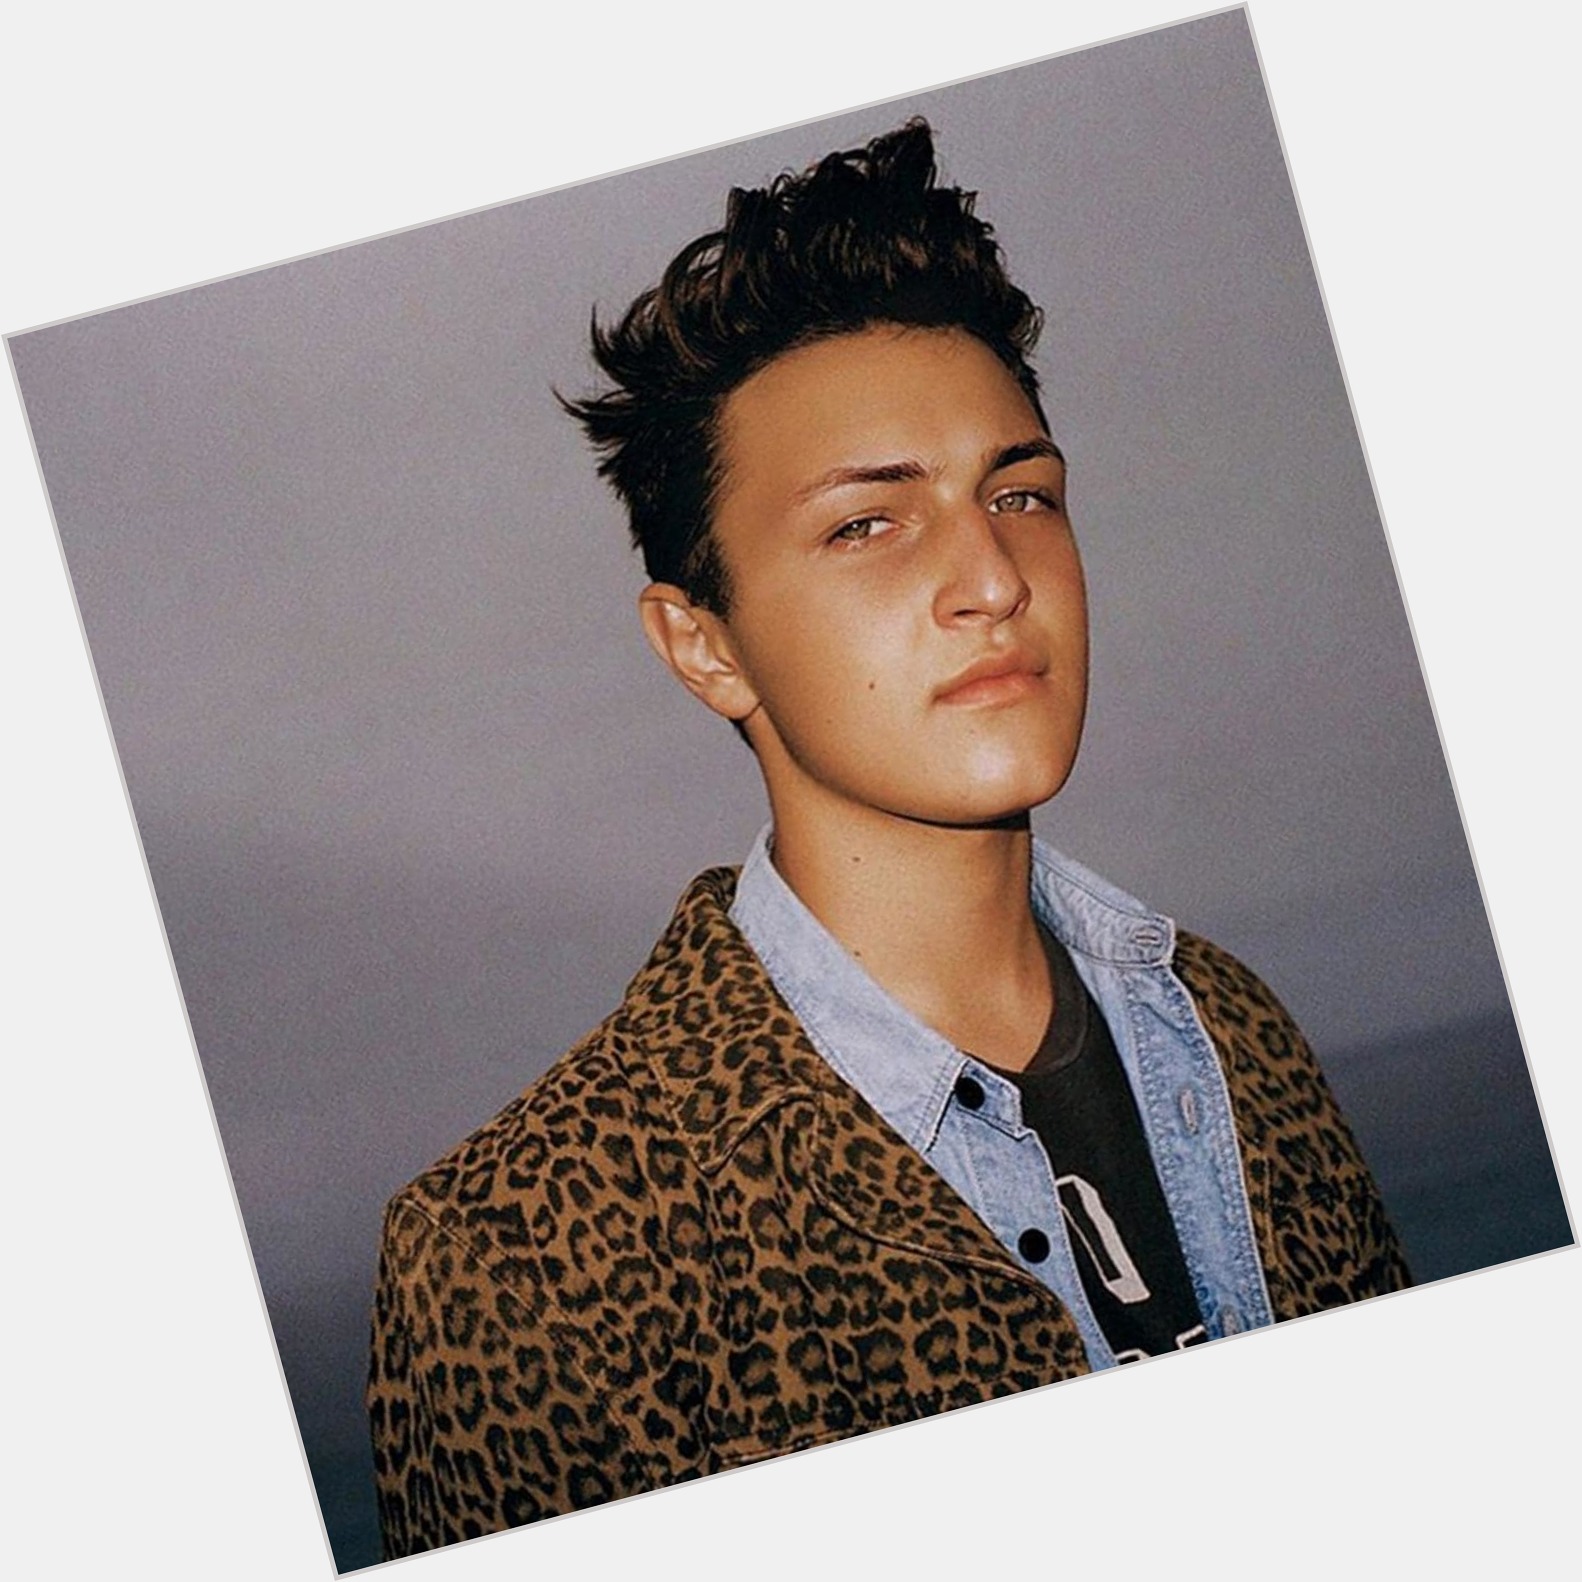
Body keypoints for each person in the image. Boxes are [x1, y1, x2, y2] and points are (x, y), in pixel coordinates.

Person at [366, 119, 1409, 1557]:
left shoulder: (1229, 1034)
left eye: (1020, 495)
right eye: (868, 524)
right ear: (703, 643)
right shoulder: (523, 1258)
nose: (991, 575)